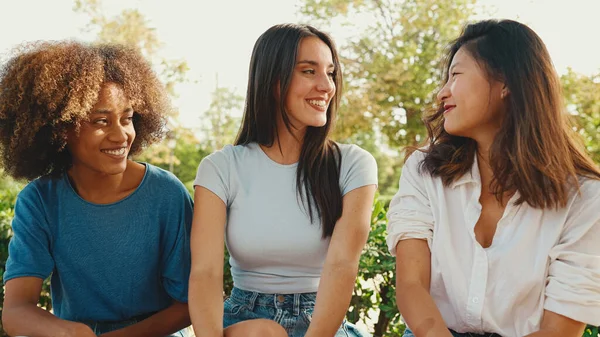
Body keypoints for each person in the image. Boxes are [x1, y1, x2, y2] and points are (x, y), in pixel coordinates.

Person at [387, 19, 600, 337]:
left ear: (506, 82)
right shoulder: (423, 170)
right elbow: (411, 284)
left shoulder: (585, 198)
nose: (442, 92)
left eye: (455, 75)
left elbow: (558, 330)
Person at [188, 23, 378, 337]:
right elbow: (205, 273)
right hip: (245, 321)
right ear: (274, 81)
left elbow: (342, 265)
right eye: (309, 71)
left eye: (330, 73)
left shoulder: (354, 164)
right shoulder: (221, 168)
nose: (326, 86)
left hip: (324, 321)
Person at [0, 41, 193, 337]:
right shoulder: (40, 201)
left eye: (127, 119)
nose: (121, 135)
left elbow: (189, 304)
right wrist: (73, 333)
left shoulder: (166, 193)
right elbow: (15, 312)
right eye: (101, 121)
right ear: (61, 128)